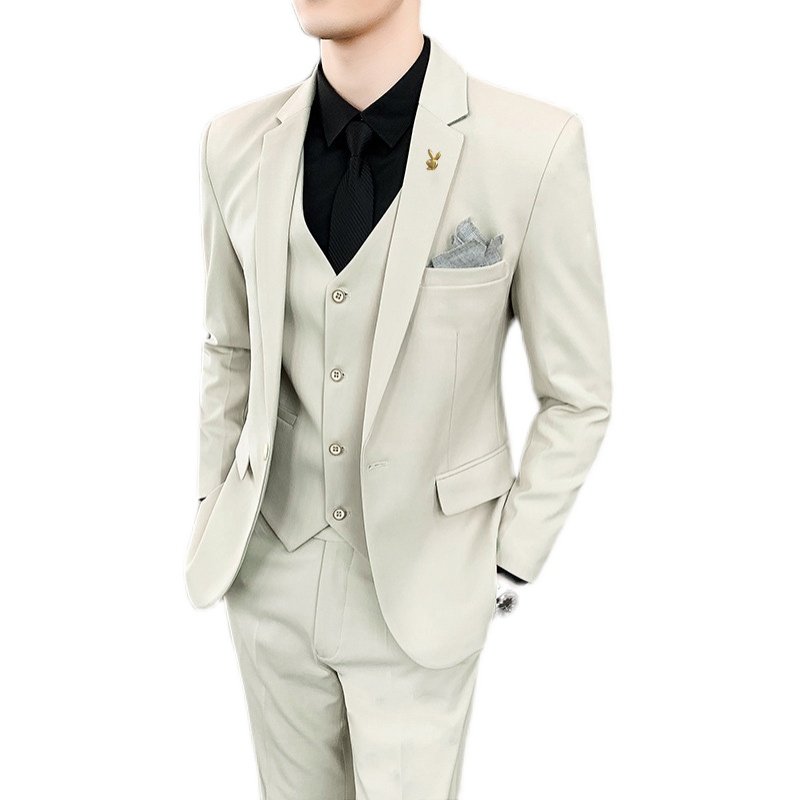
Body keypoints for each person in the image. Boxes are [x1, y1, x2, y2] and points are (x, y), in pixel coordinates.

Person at [184, 1, 611, 796]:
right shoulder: (232, 145)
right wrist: (215, 513)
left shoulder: (531, 147)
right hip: (271, 574)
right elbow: (228, 353)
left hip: (426, 588)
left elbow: (578, 394)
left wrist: (507, 559)